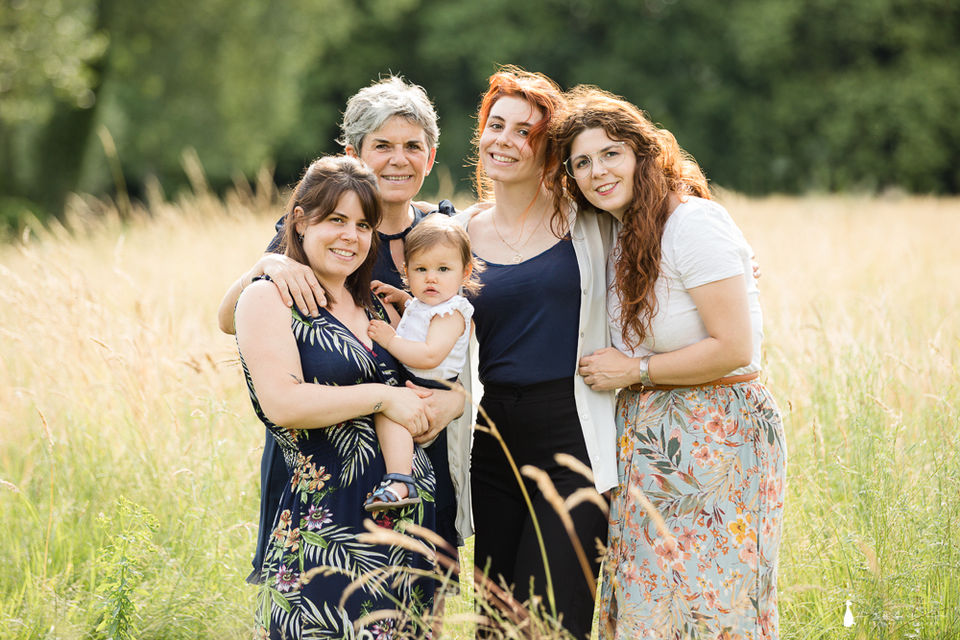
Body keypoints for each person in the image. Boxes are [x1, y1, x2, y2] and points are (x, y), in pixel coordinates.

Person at [551, 87, 787, 639]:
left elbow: (735, 347)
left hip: (720, 439)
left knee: (713, 602)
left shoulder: (693, 222)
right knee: (647, 604)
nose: (598, 171)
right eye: (582, 163)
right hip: (647, 446)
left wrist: (635, 373)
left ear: (641, 151)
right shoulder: (620, 230)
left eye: (611, 153)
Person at [216, 76, 467, 586]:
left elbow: (463, 346)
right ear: (353, 152)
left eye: (412, 146)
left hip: (416, 451)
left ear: (432, 155)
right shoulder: (323, 229)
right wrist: (267, 264)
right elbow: (231, 319)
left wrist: (450, 402)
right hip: (323, 464)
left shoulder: (444, 234)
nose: (398, 159)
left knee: (418, 608)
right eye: (382, 146)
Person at [234, 155, 437, 638]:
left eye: (363, 224)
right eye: (336, 220)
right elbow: (284, 404)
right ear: (300, 221)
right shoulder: (268, 297)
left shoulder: (372, 301)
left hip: (402, 532)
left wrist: (431, 410)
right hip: (325, 535)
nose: (351, 236)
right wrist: (383, 398)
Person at [452, 66, 618, 640]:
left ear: (549, 150)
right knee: (495, 622)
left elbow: (666, 225)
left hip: (573, 436)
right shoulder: (457, 233)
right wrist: (273, 262)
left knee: (553, 620)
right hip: (492, 437)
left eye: (525, 132)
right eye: (496, 125)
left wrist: (732, 265)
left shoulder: (589, 222)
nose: (505, 139)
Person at [364, 215, 482, 512]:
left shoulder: (451, 313)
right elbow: (418, 317)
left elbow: (430, 354)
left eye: (443, 269)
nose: (432, 278)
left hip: (431, 387)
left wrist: (390, 340)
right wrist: (403, 298)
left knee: (392, 415)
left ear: (465, 272)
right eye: (421, 269)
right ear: (406, 272)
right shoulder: (426, 303)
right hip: (416, 378)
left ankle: (401, 480)